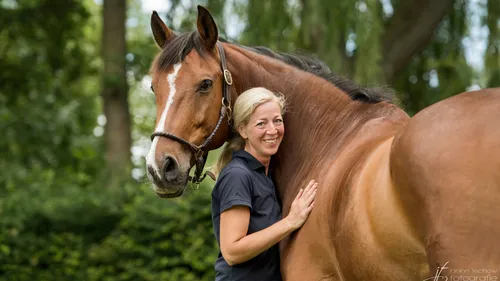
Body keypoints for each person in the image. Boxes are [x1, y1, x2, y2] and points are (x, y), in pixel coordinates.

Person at [211, 87, 318, 281]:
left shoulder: (266, 174)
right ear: (242, 130)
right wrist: (290, 222)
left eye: (277, 120)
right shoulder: (237, 175)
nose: (272, 130)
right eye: (261, 124)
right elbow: (232, 252)